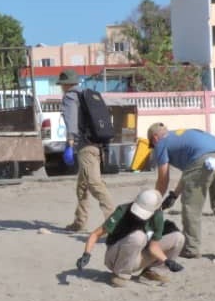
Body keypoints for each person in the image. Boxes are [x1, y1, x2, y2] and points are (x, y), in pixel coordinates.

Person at [146, 122, 215, 258]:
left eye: (152, 145)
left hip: (205, 161)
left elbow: (163, 179)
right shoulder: (181, 137)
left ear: (155, 138)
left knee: (191, 206)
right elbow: (190, 172)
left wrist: (154, 202)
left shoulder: (161, 143)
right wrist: (174, 195)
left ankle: (191, 248)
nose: (154, 148)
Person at [75, 189, 186, 287]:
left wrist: (167, 261)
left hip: (137, 257)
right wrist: (86, 254)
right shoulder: (122, 211)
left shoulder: (157, 216)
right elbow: (96, 234)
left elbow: (153, 247)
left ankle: (153, 272)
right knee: (138, 236)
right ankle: (120, 274)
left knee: (178, 238)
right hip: (115, 258)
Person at [57, 69, 114, 232]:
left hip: (85, 147)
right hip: (97, 145)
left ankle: (114, 222)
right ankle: (79, 222)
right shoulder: (88, 95)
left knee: (95, 184)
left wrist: (70, 143)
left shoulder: (70, 97)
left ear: (65, 84)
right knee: (82, 186)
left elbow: (71, 121)